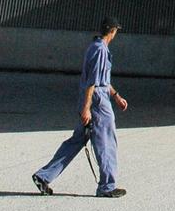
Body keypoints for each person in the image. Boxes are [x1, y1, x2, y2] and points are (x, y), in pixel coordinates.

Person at [32, 17, 129, 197]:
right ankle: (107, 187)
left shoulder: (95, 47)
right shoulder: (100, 50)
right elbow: (93, 82)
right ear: (113, 31)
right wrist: (87, 108)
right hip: (97, 102)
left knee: (77, 140)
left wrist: (116, 96)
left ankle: (43, 176)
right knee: (106, 142)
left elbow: (102, 80)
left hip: (94, 98)